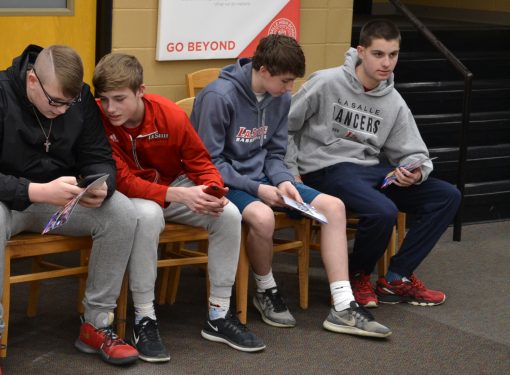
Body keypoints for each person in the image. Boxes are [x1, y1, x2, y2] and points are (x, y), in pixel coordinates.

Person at [192, 34, 391, 338]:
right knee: (262, 217)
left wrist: (284, 180)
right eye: (285, 81)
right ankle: (266, 289)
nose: (289, 89)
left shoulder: (280, 98)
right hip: (227, 182)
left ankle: (343, 304)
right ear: (263, 71)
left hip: (265, 179)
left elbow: (274, 152)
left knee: (334, 207)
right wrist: (258, 189)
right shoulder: (218, 96)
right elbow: (211, 163)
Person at [0, 44, 139, 373]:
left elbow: (99, 157)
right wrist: (36, 190)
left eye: (70, 103)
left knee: (122, 212)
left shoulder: (78, 99)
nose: (63, 110)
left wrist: (101, 184)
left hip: (58, 197)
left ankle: (96, 324)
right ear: (31, 81)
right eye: (56, 102)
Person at [92, 53, 266, 361]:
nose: (111, 108)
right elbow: (124, 180)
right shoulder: (97, 120)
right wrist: (178, 195)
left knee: (228, 214)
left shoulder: (169, 115)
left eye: (119, 99)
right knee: (146, 215)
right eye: (104, 99)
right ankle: (144, 318)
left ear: (140, 91)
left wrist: (213, 189)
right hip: (134, 195)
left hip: (173, 187)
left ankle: (219, 315)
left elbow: (200, 161)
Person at [285, 19, 461, 308]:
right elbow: (285, 128)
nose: (386, 63)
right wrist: (292, 174)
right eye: (379, 54)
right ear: (361, 52)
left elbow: (415, 152)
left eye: (393, 55)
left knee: (447, 196)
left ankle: (396, 277)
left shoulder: (393, 101)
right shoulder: (326, 82)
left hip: (368, 171)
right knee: (383, 210)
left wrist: (414, 173)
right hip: (325, 169)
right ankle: (356, 276)